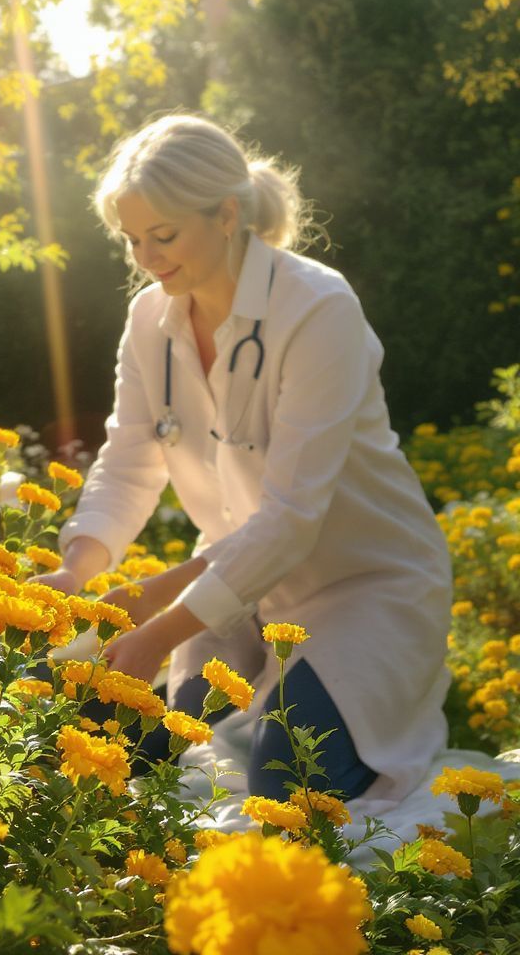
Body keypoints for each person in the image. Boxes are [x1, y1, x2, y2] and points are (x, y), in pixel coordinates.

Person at [32, 112, 452, 803]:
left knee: (285, 784)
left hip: (366, 585)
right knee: (146, 752)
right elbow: (129, 459)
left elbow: (290, 520)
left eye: (164, 235)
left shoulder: (317, 308)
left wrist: (155, 624)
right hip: (239, 588)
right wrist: (76, 570)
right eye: (132, 240)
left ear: (227, 214)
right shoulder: (150, 319)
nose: (146, 258)